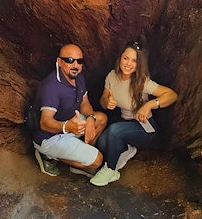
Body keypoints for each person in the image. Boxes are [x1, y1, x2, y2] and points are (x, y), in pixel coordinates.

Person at [95, 40, 178, 183]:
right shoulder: (112, 76)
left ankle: (111, 170)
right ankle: (126, 149)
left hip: (145, 126)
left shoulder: (142, 82)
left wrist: (150, 104)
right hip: (124, 122)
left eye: (134, 61)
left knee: (114, 131)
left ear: (139, 64)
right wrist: (107, 102)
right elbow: (103, 99)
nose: (128, 64)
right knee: (102, 143)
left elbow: (172, 95)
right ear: (120, 58)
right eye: (126, 58)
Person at [32, 43, 112, 185]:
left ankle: (82, 154)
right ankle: (48, 155)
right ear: (59, 61)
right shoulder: (51, 87)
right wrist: (67, 127)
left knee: (100, 118)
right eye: (69, 60)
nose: (75, 65)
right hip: (49, 137)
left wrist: (91, 118)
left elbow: (85, 103)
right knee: (98, 161)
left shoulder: (78, 77)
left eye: (79, 61)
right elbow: (45, 123)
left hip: (70, 123)